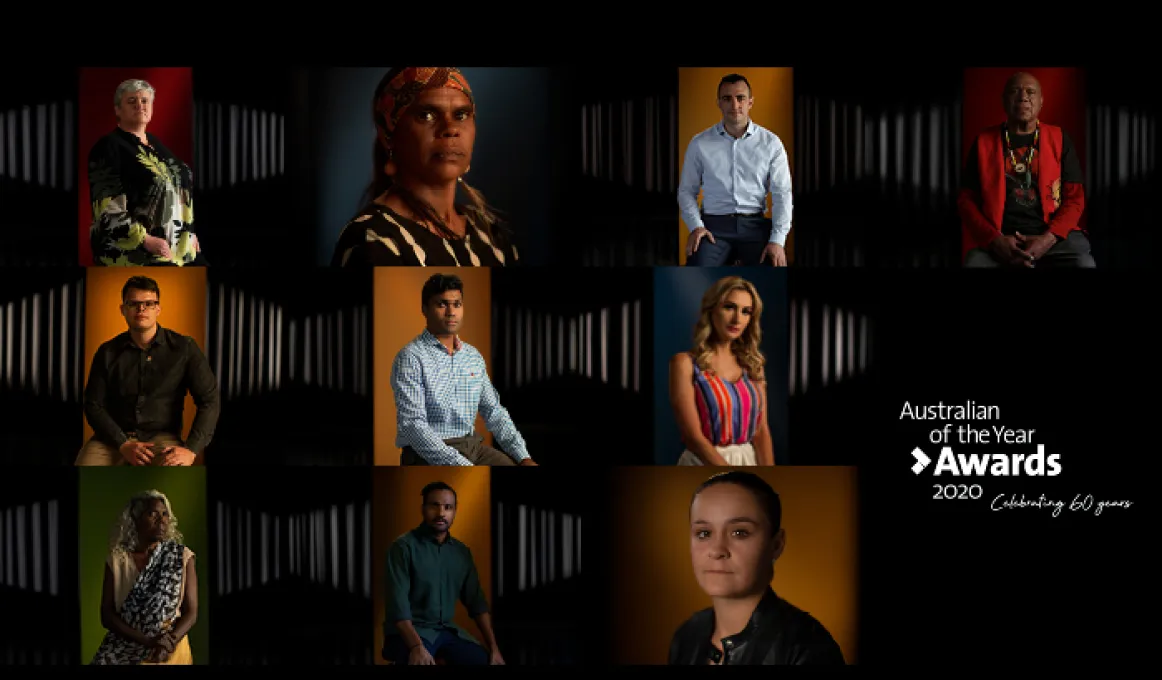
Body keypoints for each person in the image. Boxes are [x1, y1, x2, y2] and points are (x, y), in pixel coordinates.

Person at [331, 67, 518, 267]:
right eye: (427, 115)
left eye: (461, 115)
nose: (451, 129)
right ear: (389, 136)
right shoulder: (372, 240)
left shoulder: (490, 233)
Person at [669, 472, 844, 665]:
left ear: (776, 545)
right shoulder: (686, 636)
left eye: (739, 532)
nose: (717, 550)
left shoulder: (809, 648)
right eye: (704, 533)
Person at [390, 273, 537, 466]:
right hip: (426, 452)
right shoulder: (410, 357)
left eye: (457, 304)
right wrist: (461, 465)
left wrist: (523, 456)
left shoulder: (472, 356)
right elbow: (413, 426)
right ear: (424, 309)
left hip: (472, 446)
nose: (451, 312)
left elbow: (494, 412)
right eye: (442, 304)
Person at [76, 275, 219, 466]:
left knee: (174, 477)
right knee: (84, 474)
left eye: (149, 303)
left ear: (158, 309)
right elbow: (93, 404)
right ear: (123, 309)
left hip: (162, 439)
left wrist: (191, 449)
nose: (141, 309)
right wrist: (122, 443)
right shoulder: (107, 352)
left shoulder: (184, 348)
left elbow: (209, 399)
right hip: (111, 440)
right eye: (133, 303)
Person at [958, 71, 1094, 268]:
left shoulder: (1059, 138)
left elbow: (1075, 198)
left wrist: (1046, 239)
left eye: (1031, 92)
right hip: (1002, 237)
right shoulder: (983, 142)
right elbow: (966, 201)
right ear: (1004, 100)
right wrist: (994, 239)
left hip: (1052, 237)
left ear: (1041, 101)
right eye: (1015, 91)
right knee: (974, 264)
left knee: (1083, 263)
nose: (1023, 97)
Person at [383, 481, 504, 665]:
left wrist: (495, 650)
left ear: (455, 511)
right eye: (434, 505)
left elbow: (477, 603)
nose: (441, 513)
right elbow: (398, 608)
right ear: (423, 508)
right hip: (410, 632)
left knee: (484, 661)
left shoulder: (462, 553)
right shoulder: (403, 548)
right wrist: (416, 648)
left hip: (447, 631)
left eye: (448, 507)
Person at [678, 74, 792, 267]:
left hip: (755, 226)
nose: (734, 104)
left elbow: (782, 194)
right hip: (713, 227)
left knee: (772, 275)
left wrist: (777, 241)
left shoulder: (771, 143)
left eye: (740, 98)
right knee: (696, 271)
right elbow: (686, 191)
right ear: (719, 103)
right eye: (727, 98)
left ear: (750, 102)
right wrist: (696, 227)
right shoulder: (699, 143)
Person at [87, 79, 204, 267]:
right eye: (131, 101)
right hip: (135, 252)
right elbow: (107, 209)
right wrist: (145, 240)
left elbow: (180, 188)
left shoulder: (157, 145)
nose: (139, 105)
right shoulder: (108, 147)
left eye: (145, 101)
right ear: (118, 110)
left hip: (180, 249)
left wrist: (190, 232)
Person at [669, 277, 773, 466]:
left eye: (746, 312)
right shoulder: (684, 363)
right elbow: (693, 437)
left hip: (749, 460)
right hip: (702, 462)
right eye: (729, 307)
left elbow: (761, 431)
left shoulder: (753, 365)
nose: (737, 319)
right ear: (712, 309)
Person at [92, 490, 198, 665]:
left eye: (165, 514)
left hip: (171, 643)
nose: (162, 520)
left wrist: (167, 644)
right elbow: (107, 615)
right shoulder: (118, 560)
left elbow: (191, 612)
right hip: (126, 643)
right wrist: (147, 642)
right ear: (135, 519)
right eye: (152, 514)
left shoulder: (181, 556)